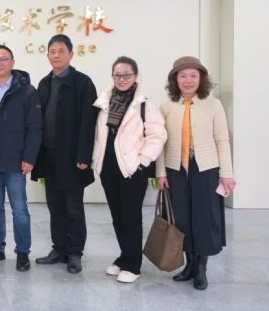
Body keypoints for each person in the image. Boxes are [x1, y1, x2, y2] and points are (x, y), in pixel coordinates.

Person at [156, 56, 236, 290]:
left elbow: (222, 139)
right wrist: (160, 172)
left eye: (193, 75)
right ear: (175, 80)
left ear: (201, 79)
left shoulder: (213, 104)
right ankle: (189, 265)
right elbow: (160, 142)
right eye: (183, 76)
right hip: (176, 169)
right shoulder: (166, 106)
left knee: (204, 218)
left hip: (206, 169)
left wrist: (227, 173)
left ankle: (201, 268)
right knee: (181, 219)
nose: (188, 80)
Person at [91, 56, 167, 283]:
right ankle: (125, 257)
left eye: (126, 75)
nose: (121, 79)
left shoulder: (145, 104)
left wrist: (143, 161)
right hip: (108, 167)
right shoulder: (104, 101)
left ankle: (133, 265)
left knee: (131, 216)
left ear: (135, 76)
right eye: (117, 75)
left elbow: (158, 136)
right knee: (117, 216)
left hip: (133, 169)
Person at [32, 34, 97, 274]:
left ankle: (75, 252)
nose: (56, 55)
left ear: (71, 54)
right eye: (52, 51)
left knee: (73, 207)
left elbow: (89, 122)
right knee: (54, 205)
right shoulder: (44, 83)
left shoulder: (83, 83)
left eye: (61, 51)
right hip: (49, 156)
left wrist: (84, 156)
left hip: (72, 157)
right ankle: (59, 248)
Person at [0, 45, 42, 272]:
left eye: (3, 59)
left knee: (20, 210)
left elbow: (35, 127)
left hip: (16, 161)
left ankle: (22, 252)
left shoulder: (27, 91)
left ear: (12, 62)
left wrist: (29, 157)